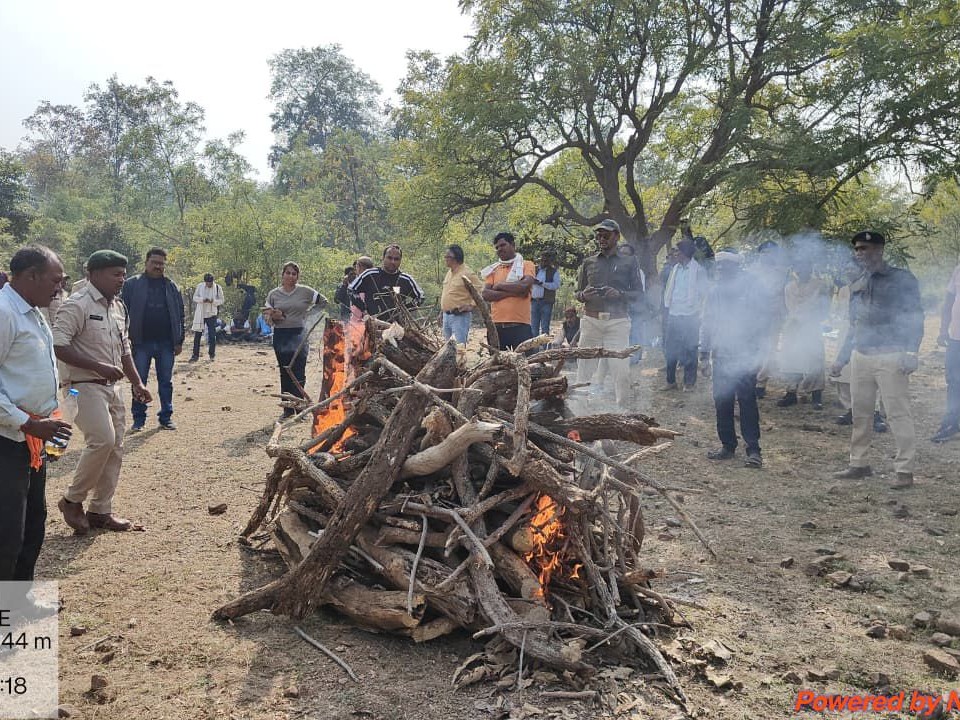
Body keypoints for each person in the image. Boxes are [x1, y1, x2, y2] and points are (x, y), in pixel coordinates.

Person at [53, 250, 152, 533]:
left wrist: (138, 382)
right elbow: (59, 346)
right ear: (92, 274)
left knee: (116, 448)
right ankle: (72, 500)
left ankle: (100, 511)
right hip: (82, 386)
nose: (121, 279)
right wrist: (98, 366)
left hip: (113, 387)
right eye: (115, 274)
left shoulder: (117, 307)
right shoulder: (76, 305)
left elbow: (125, 350)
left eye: (123, 274)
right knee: (102, 440)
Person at [830, 231, 923, 489]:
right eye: (857, 249)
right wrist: (841, 358)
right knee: (860, 414)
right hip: (861, 355)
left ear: (880, 250)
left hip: (891, 355)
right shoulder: (857, 283)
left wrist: (911, 352)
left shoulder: (901, 279)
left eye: (865, 248)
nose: (860, 253)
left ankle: (905, 471)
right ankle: (858, 464)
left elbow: (915, 317)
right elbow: (854, 324)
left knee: (897, 414)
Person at [0, 245, 71, 582]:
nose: (60, 287)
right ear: (31, 276)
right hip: (7, 440)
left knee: (32, 524)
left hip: (31, 440)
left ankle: (19, 606)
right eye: (56, 280)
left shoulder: (33, 311)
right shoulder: (4, 313)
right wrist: (29, 422)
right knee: (7, 533)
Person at [700, 250, 764, 467]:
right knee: (722, 401)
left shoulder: (751, 289)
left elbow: (761, 322)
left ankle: (753, 450)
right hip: (721, 355)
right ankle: (727, 446)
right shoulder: (715, 292)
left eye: (724, 266)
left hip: (745, 355)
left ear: (735, 267)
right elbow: (707, 323)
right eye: (718, 267)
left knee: (747, 401)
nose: (719, 270)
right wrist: (703, 353)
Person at [574, 219, 645, 407]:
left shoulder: (629, 262)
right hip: (591, 321)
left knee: (621, 372)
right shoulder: (589, 262)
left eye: (606, 234)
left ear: (616, 236)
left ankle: (621, 414)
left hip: (617, 323)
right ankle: (579, 411)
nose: (601, 237)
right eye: (599, 234)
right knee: (584, 369)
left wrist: (620, 294)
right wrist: (583, 295)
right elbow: (578, 292)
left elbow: (639, 294)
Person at [120, 247, 185, 431]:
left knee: (166, 382)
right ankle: (138, 419)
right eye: (154, 262)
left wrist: (179, 340)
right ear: (146, 263)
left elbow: (180, 314)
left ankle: (166, 417)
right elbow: (122, 313)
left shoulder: (171, 286)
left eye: (161, 263)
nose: (158, 266)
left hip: (166, 342)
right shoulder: (132, 285)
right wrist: (126, 340)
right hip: (140, 342)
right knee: (139, 381)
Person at [264, 262, 326, 418]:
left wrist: (309, 315)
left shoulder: (305, 291)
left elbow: (323, 301)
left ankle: (299, 408)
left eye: (294, 273)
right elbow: (266, 314)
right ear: (282, 274)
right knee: (284, 371)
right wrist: (272, 316)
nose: (290, 276)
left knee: (298, 370)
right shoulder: (274, 294)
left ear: (298, 276)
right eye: (288, 273)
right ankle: (287, 408)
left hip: (299, 334)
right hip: (281, 334)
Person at [830, 267, 889, 433]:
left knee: (870, 375)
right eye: (846, 267)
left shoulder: (870, 285)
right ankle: (851, 409)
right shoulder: (843, 290)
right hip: (846, 332)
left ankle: (875, 413)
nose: (848, 270)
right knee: (845, 375)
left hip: (867, 334)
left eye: (852, 267)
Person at [777, 258, 830, 409]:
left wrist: (812, 320)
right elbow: (787, 307)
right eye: (798, 267)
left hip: (811, 327)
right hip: (792, 327)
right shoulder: (789, 287)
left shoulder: (820, 286)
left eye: (804, 266)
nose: (801, 270)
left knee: (815, 359)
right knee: (791, 359)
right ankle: (791, 393)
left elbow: (825, 309)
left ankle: (816, 396)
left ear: (810, 267)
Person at [662, 238, 708, 389]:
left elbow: (703, 295)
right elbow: (670, 291)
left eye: (677, 251)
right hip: (674, 314)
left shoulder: (699, 271)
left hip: (690, 316)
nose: (675, 253)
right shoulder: (675, 269)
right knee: (670, 350)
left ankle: (689, 383)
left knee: (690, 349)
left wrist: (698, 313)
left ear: (685, 253)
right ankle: (670, 381)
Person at [481, 232, 537, 350]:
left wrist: (500, 285)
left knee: (526, 365)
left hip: (520, 326)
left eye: (502, 245)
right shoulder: (493, 270)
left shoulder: (527, 265)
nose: (499, 249)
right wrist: (514, 292)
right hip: (496, 327)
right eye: (497, 247)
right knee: (497, 367)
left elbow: (525, 285)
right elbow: (486, 294)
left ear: (513, 245)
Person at [349, 245, 424, 321]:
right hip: (372, 325)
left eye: (396, 259)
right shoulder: (370, 274)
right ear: (383, 258)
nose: (392, 262)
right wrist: (363, 309)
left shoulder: (406, 279)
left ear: (400, 260)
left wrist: (405, 310)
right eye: (389, 258)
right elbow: (351, 290)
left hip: (398, 327)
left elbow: (420, 297)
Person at [752, 240, 788, 398]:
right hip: (753, 317)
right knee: (753, 348)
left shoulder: (782, 273)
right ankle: (751, 377)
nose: (767, 256)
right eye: (764, 252)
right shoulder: (751, 271)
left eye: (770, 252)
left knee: (768, 350)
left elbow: (780, 295)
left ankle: (761, 383)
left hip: (773, 316)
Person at [932, 262, 960, 443]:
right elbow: (948, 301)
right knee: (954, 381)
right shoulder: (959, 268)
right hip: (956, 337)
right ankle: (951, 423)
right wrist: (943, 329)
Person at [439, 244, 481, 344]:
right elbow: (447, 293)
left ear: (455, 258)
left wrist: (471, 305)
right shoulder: (449, 273)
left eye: (447, 256)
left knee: (459, 349)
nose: (445, 259)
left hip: (459, 317)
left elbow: (481, 290)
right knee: (447, 350)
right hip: (446, 316)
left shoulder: (467, 273)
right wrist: (441, 312)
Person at [618, 243, 650, 364]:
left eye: (626, 254)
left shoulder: (638, 272)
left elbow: (638, 292)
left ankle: (634, 358)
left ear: (632, 257)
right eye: (621, 253)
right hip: (621, 308)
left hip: (635, 307)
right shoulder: (617, 271)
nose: (623, 256)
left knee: (635, 331)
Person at [190, 273, 224, 362]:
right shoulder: (200, 286)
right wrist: (202, 300)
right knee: (197, 335)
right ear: (205, 282)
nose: (209, 284)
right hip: (201, 313)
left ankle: (212, 354)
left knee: (212, 335)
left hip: (212, 314)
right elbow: (194, 297)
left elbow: (222, 300)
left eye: (210, 283)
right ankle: (195, 355)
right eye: (207, 283)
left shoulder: (217, 288)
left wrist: (213, 301)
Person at [530, 251, 561, 338]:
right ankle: (534, 349)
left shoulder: (554, 272)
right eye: (542, 260)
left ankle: (545, 348)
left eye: (546, 260)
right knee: (533, 327)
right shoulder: (534, 269)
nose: (543, 262)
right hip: (534, 301)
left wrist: (542, 283)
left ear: (550, 261)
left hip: (546, 302)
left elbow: (556, 285)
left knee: (545, 327)